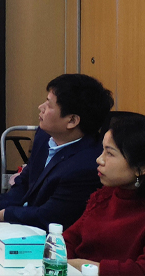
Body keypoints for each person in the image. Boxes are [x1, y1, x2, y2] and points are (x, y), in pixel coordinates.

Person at [0, 74, 113, 230]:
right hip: (21, 213)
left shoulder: (85, 166)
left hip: (44, 231)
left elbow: (50, 216)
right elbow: (25, 180)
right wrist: (1, 209)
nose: (41, 107)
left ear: (72, 121)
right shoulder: (44, 135)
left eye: (49, 105)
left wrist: (7, 214)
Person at [66, 112, 145, 275]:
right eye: (102, 151)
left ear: (141, 168)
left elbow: (140, 270)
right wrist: (60, 260)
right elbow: (70, 238)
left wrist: (85, 267)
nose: (99, 160)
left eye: (109, 153)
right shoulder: (106, 195)